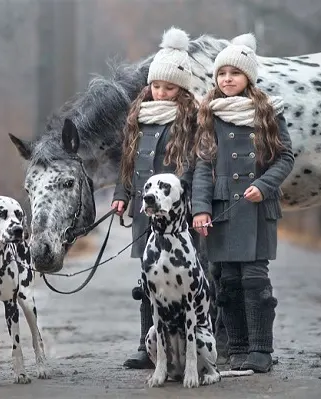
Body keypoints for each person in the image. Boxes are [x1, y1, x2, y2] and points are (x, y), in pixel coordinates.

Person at [191, 33, 295, 373]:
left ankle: (261, 350)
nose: (227, 79)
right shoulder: (208, 115)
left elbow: (285, 158)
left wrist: (264, 186)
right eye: (222, 74)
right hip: (221, 210)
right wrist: (201, 208)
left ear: (248, 77)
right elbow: (203, 167)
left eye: (235, 73)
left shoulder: (268, 112)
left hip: (256, 208)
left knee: (254, 278)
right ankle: (236, 349)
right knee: (227, 281)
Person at [111, 26, 199, 369]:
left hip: (177, 217)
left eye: (169, 87)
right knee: (148, 277)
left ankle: (193, 342)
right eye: (156, 86)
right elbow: (128, 163)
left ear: (182, 90)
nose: (161, 93)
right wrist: (122, 194)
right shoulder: (139, 118)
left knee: (183, 276)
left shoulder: (190, 120)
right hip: (146, 214)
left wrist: (186, 205)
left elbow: (193, 166)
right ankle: (147, 345)